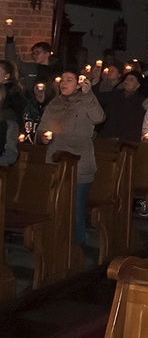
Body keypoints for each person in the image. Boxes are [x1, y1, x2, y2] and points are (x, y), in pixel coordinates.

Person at [37, 70, 105, 246]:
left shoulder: (85, 101)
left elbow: (99, 117)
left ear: (78, 84)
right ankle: (58, 245)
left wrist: (89, 94)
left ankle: (78, 247)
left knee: (75, 208)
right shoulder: (54, 103)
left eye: (69, 80)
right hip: (55, 162)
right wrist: (43, 137)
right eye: (62, 80)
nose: (64, 83)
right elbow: (41, 128)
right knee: (56, 207)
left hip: (79, 164)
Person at [98, 71, 146, 142]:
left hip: (128, 140)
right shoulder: (114, 95)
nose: (127, 81)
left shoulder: (141, 101)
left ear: (138, 85)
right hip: (109, 136)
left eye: (131, 79)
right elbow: (98, 99)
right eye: (126, 79)